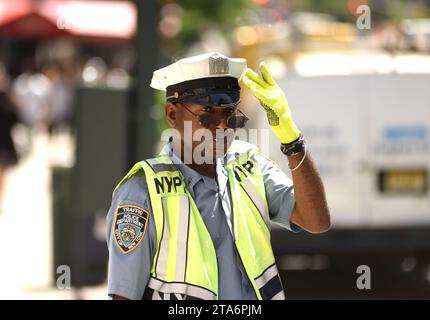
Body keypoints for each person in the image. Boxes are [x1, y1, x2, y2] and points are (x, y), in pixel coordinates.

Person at [106, 52, 330, 300]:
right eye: (208, 115)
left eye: (230, 115)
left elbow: (316, 221)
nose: (223, 127)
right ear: (172, 114)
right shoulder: (142, 192)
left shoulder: (249, 165)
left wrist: (292, 140)